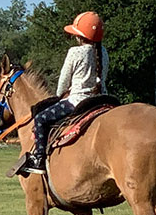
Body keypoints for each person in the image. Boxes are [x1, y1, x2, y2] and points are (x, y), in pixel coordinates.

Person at [13, 11, 108, 176]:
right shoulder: (104, 52)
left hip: (77, 101)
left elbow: (64, 81)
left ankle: (39, 159)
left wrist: (58, 96)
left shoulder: (75, 52)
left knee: (41, 119)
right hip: (101, 100)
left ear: (80, 36)